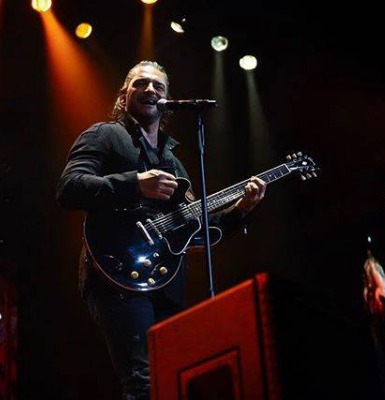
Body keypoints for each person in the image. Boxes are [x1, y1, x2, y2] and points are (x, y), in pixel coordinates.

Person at [56, 60, 266, 399]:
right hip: (116, 272)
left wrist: (241, 209)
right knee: (144, 381)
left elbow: (196, 232)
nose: (150, 89)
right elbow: (69, 188)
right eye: (141, 83)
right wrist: (135, 183)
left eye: (158, 86)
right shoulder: (105, 135)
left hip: (166, 281)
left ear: (166, 100)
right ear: (123, 96)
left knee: (172, 378)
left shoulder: (174, 163)